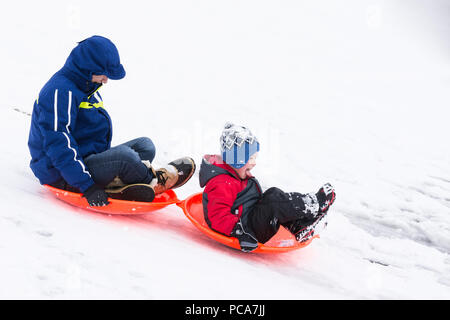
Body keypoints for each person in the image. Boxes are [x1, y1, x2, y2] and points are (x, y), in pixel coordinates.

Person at [28, 35, 195, 207]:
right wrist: (87, 186)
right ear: (88, 68)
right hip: (60, 174)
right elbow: (58, 145)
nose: (106, 80)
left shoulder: (86, 85)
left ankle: (122, 180)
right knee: (125, 158)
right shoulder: (60, 92)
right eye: (103, 74)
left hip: (85, 159)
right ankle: (154, 181)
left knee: (145, 146)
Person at [199, 123, 336, 252]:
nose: (254, 163)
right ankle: (314, 203)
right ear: (238, 159)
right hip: (246, 230)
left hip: (248, 218)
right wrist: (240, 232)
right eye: (251, 158)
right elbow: (217, 217)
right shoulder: (221, 183)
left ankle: (299, 227)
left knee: (272, 197)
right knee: (273, 202)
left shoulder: (234, 172)